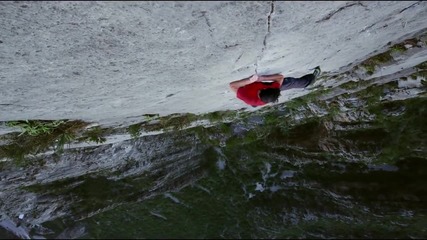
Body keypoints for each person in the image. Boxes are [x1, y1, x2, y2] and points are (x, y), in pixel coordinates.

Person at [229, 66, 321, 107]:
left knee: (290, 82)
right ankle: (309, 82)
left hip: (258, 95)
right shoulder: (272, 89)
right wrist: (260, 79)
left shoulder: (248, 97)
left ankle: (308, 81)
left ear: (264, 88)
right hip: (262, 94)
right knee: (290, 82)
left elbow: (232, 85)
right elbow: (280, 77)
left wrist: (251, 81)